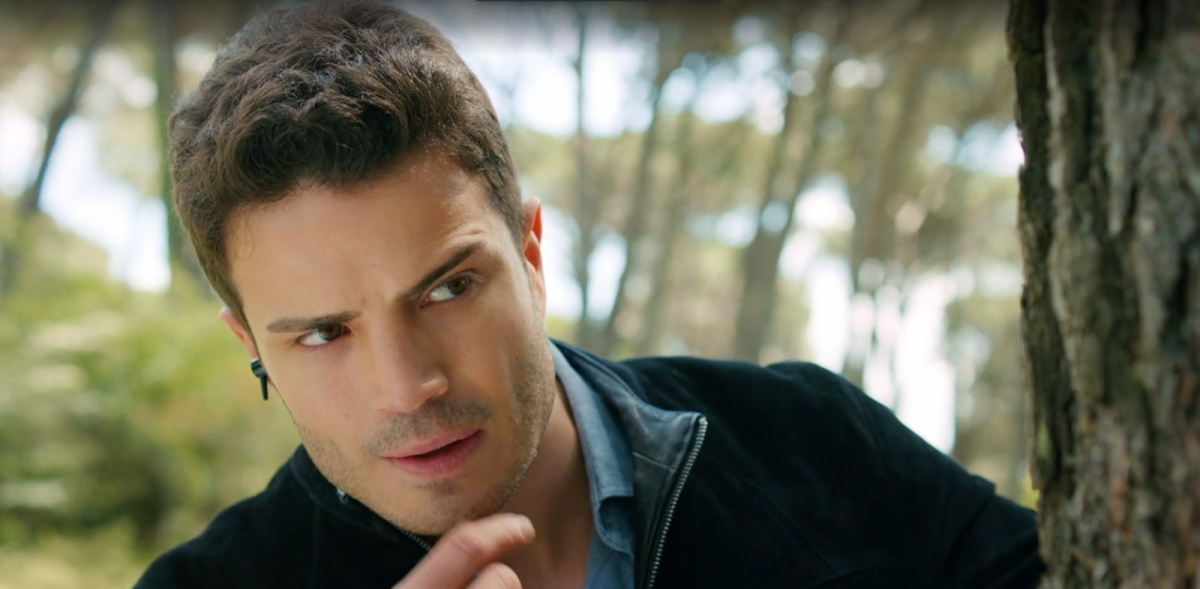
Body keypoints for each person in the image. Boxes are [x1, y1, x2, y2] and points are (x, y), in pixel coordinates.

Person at [133, 1, 1044, 588]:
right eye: (323, 334)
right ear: (251, 345)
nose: (408, 384)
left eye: (448, 288)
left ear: (531, 255)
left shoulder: (810, 442)